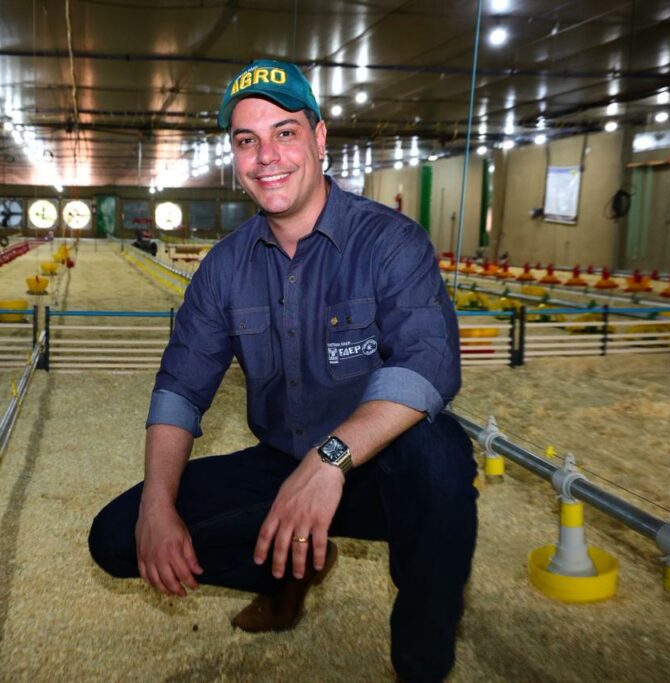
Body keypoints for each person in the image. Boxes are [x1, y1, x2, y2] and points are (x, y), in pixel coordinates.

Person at [89, 59, 477, 683]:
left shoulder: (389, 241)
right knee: (117, 537)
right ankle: (288, 575)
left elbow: (427, 364)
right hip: (283, 463)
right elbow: (179, 390)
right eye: (247, 140)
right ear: (235, 159)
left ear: (321, 139)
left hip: (381, 467)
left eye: (285, 132)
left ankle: (422, 659)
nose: (267, 155)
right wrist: (158, 507)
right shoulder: (224, 268)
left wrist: (329, 461)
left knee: (440, 462)